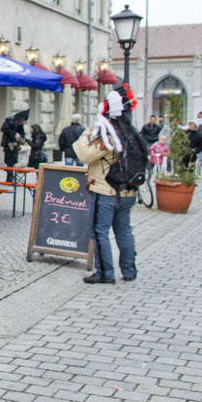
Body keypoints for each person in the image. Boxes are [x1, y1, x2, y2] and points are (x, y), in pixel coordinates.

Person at [74, 88, 140, 284]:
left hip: (105, 191)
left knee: (99, 231)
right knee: (124, 231)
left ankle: (105, 272)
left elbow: (85, 155)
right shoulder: (131, 134)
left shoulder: (109, 135)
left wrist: (84, 137)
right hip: (127, 192)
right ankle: (129, 270)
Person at [0, 110, 28, 180]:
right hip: (8, 143)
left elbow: (22, 133)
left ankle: (11, 176)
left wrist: (21, 138)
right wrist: (14, 133)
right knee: (9, 160)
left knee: (14, 160)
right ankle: (10, 177)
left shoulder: (19, 125)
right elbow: (3, 128)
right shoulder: (10, 120)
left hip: (15, 144)